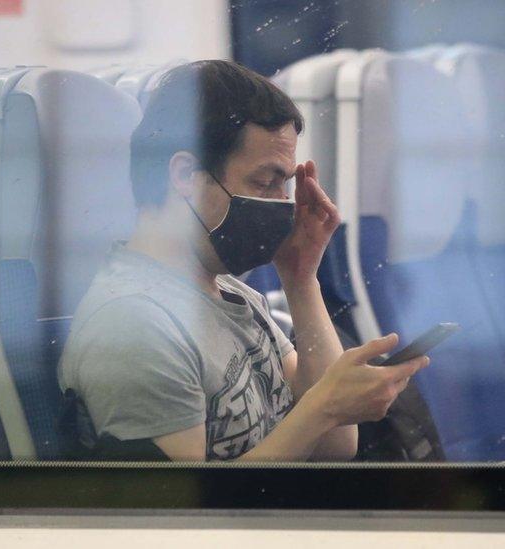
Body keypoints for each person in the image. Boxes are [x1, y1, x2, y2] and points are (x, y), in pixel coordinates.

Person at [58, 60, 429, 461]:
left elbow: (334, 447)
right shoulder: (134, 327)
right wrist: (325, 407)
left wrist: (301, 278)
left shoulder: (234, 293)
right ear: (185, 175)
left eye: (285, 185)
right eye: (266, 182)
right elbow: (188, 511)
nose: (283, 205)